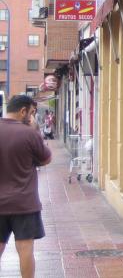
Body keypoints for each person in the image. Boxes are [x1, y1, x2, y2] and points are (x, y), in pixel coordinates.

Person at [0, 95, 52, 278]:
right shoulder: (29, 134)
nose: (31, 117)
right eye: (31, 113)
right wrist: (34, 130)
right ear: (23, 111)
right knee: (25, 249)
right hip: (25, 203)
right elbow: (46, 159)